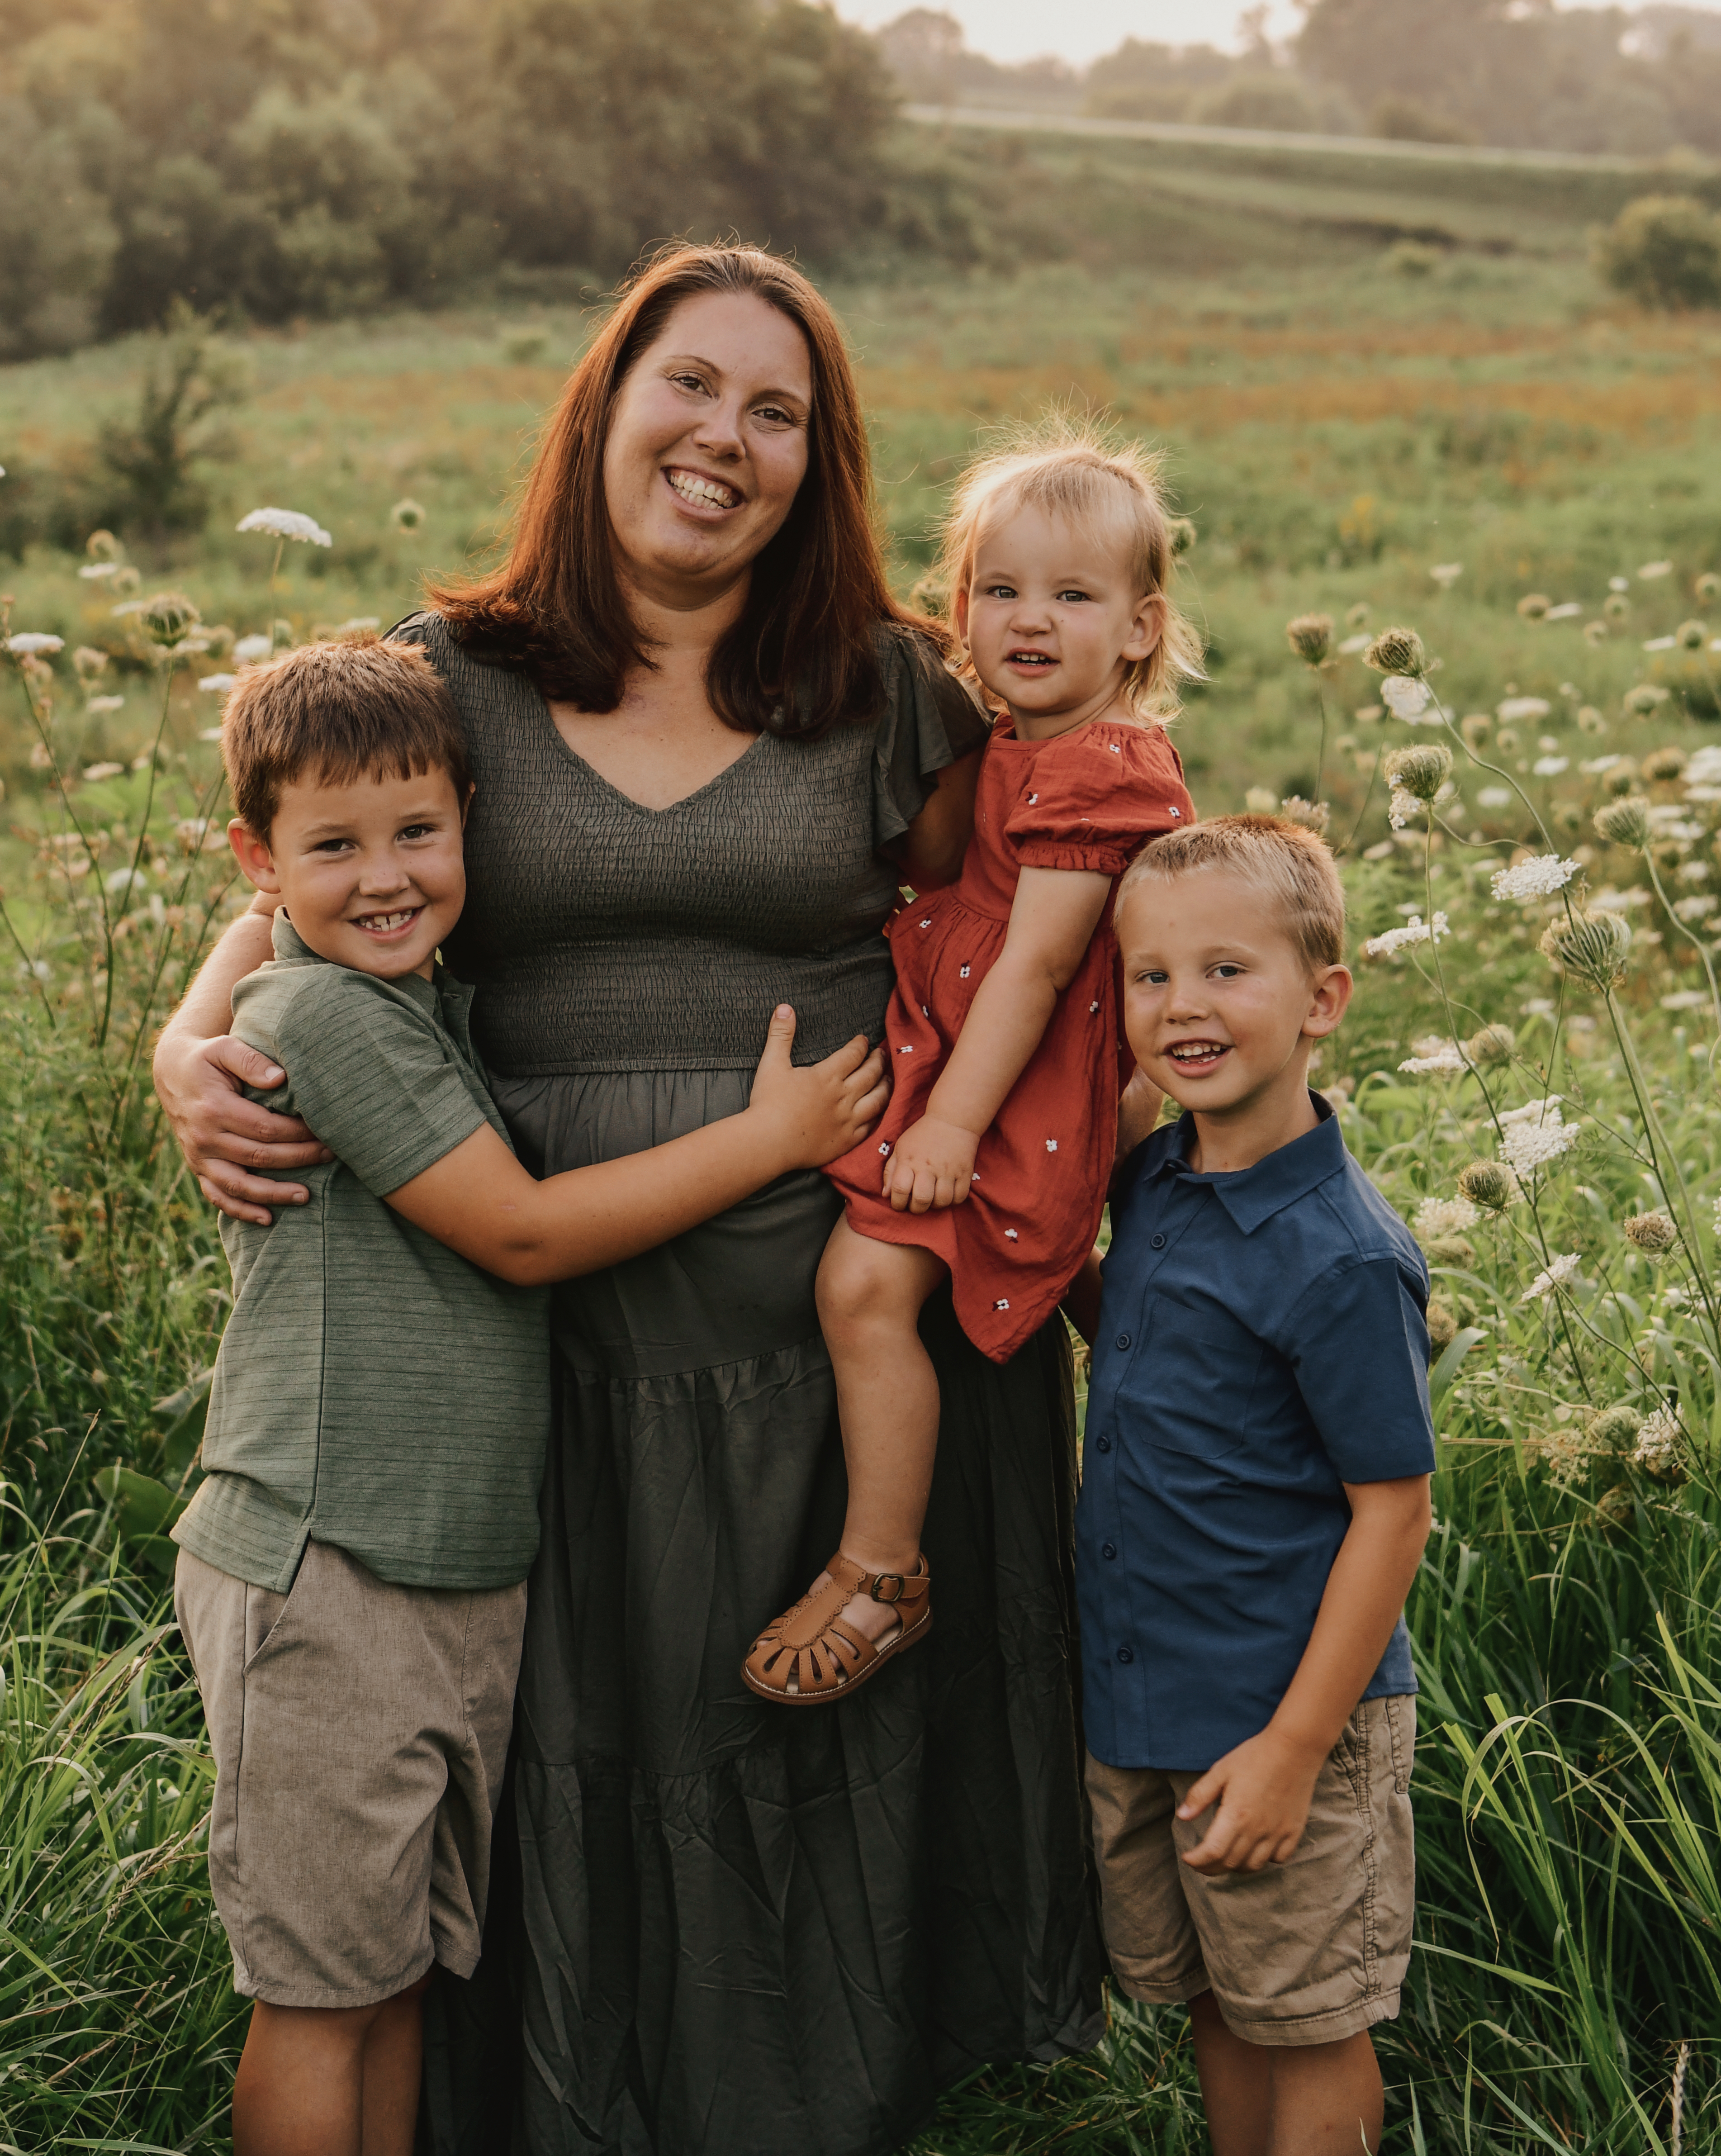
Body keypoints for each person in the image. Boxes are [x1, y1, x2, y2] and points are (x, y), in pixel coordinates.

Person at [156, 243, 1106, 2156]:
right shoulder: (453, 678)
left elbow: (1037, 898)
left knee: (797, 1744)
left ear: (815, 461)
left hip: (831, 1324)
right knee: (581, 1746)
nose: (724, 438)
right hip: (543, 1323)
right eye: (692, 385)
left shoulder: (884, 691)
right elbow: (301, 881)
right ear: (606, 399)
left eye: (778, 411)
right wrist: (185, 1041)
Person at [171, 633, 885, 2156]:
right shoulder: (327, 1022)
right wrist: (771, 1141)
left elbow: (298, 911)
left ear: (470, 825)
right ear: (261, 860)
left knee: (393, 1973)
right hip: (327, 1561)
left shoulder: (410, 1003)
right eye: (334, 847)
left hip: (441, 1568)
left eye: (417, 833)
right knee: (318, 1989)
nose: (385, 876)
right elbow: (520, 1233)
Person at [742, 426, 1196, 1705]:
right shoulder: (1022, 743)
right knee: (1017, 1280)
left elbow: (1039, 970)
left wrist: (946, 1126)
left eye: (1071, 595)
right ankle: (1170, 1355)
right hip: (1000, 1067)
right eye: (998, 592)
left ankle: (884, 1569)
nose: (1028, 621)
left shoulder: (1104, 765)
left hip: (1012, 1087)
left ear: (1140, 627)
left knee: (863, 1288)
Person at [1073, 816, 1438, 2156]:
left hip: (1284, 1714)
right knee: (1221, 2008)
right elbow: (1147, 1348)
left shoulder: (1339, 1258)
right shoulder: (1158, 1181)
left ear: (1320, 1001)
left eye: (1227, 972)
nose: (1181, 1008)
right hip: (1146, 1694)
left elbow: (1392, 1510)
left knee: (1308, 2026)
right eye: (1150, 977)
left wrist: (1291, 1752)